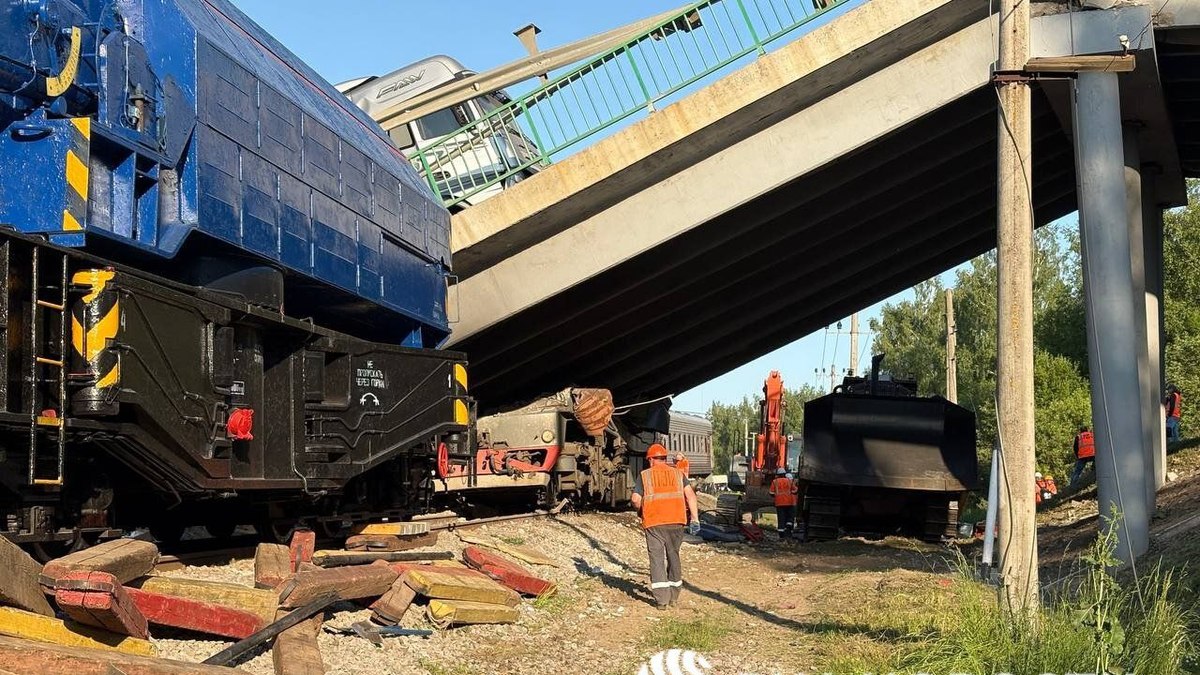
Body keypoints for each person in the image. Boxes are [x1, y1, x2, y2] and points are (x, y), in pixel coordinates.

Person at [631, 443, 700, 610]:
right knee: (673, 556)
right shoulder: (678, 474)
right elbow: (690, 495)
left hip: (654, 523)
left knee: (656, 559)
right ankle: (674, 595)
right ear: (664, 458)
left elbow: (635, 499)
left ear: (651, 460)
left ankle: (661, 600)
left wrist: (641, 510)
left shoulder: (645, 475)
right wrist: (695, 519)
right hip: (677, 521)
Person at [768, 467, 799, 536]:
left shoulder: (774, 481)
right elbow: (795, 490)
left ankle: (781, 533)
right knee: (789, 516)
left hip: (779, 503)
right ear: (784, 474)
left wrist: (776, 496)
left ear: (778, 475)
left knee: (781, 518)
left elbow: (771, 492)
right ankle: (788, 526)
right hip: (789, 502)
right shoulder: (789, 481)